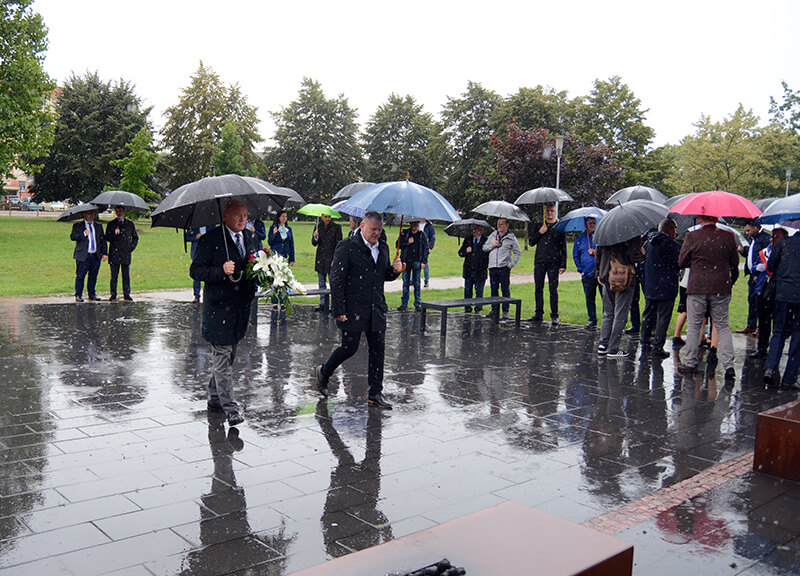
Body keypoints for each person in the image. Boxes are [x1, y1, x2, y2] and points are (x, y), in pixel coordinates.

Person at [315, 212, 403, 408]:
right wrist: (339, 309)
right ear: (362, 225)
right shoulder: (347, 246)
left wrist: (395, 270)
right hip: (353, 308)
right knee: (349, 348)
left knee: (378, 350)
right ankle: (324, 371)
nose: (376, 234)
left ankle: (375, 392)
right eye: (373, 229)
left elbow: (383, 275)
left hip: (376, 307)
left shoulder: (383, 247)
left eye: (379, 230)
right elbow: (336, 279)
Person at [190, 199, 258, 426]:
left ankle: (214, 397)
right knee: (222, 356)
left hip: (241, 308)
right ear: (225, 215)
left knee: (229, 357)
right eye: (238, 215)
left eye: (246, 215)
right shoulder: (211, 240)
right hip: (219, 309)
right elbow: (196, 271)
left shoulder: (250, 237)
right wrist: (221, 270)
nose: (242, 220)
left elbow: (255, 266)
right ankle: (231, 409)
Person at [677, 215, 739, 381]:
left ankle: (690, 363)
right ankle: (729, 366)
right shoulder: (728, 236)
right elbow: (734, 261)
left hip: (698, 286)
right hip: (721, 286)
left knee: (694, 325)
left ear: (701, 218)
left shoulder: (692, 236)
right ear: (716, 219)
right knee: (722, 326)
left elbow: (681, 261)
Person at [596, 236, 645, 358]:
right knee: (620, 314)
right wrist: (642, 252)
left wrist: (599, 272)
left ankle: (603, 344)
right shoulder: (632, 235)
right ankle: (613, 348)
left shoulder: (606, 232)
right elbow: (633, 257)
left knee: (608, 313)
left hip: (607, 276)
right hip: (625, 278)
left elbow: (599, 254)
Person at [763, 228, 800, 390]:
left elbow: (771, 265)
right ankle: (789, 378)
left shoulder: (784, 243)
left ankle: (770, 368)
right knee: (798, 336)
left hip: (783, 293)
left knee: (778, 331)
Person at [640, 218, 680, 359]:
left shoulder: (648, 242)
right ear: (669, 229)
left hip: (651, 284)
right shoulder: (672, 245)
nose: (676, 231)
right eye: (675, 228)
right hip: (666, 286)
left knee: (648, 315)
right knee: (663, 317)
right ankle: (658, 347)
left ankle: (644, 342)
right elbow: (679, 263)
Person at [749, 228, 788, 360]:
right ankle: (761, 348)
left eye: (776, 237)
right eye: (772, 237)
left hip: (779, 291)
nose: (773, 239)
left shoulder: (787, 253)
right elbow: (754, 268)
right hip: (763, 290)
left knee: (779, 323)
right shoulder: (764, 252)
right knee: (763, 321)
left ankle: (775, 350)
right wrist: (757, 269)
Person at [528, 203, 567, 325]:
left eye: (552, 211)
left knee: (553, 289)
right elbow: (531, 242)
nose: (550, 213)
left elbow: (563, 247)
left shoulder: (559, 227)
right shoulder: (540, 226)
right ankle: (538, 313)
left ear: (556, 212)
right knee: (538, 288)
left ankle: (554, 315)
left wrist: (563, 264)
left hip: (554, 262)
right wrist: (540, 232)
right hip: (540, 260)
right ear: (544, 212)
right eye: (548, 211)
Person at [483, 217, 522, 320]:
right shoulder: (493, 235)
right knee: (493, 289)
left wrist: (510, 265)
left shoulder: (511, 237)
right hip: (493, 267)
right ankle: (494, 310)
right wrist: (492, 245)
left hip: (504, 267)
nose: (499, 226)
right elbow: (485, 248)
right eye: (498, 224)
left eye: (501, 224)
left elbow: (518, 252)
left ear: (507, 225)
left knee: (505, 289)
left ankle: (505, 311)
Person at [737, 220, 771, 334]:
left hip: (760, 276)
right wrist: (743, 251)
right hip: (752, 275)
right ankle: (751, 325)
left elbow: (765, 257)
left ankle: (760, 327)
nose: (747, 233)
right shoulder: (753, 239)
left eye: (748, 230)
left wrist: (759, 274)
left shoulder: (765, 239)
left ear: (756, 228)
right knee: (751, 300)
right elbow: (751, 254)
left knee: (760, 301)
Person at [71, 208, 107, 302]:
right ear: (84, 215)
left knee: (93, 276)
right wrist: (83, 234)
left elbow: (102, 240)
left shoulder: (98, 226)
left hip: (95, 255)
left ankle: (92, 294)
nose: (91, 215)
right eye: (89, 214)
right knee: (80, 276)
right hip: (83, 256)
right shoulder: (78, 225)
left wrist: (104, 253)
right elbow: (73, 237)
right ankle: (78, 294)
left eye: (92, 214)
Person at [104, 206, 139, 301]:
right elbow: (106, 237)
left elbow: (135, 238)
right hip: (114, 253)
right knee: (114, 276)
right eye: (117, 211)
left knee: (126, 275)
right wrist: (114, 234)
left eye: (120, 211)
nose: (119, 213)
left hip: (125, 253)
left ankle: (126, 293)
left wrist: (130, 248)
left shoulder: (129, 224)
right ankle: (113, 294)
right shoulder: (111, 224)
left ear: (124, 212)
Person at [397, 219, 429, 312]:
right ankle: (404, 303)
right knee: (405, 283)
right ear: (410, 224)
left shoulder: (422, 235)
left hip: (417, 261)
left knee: (417, 283)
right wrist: (407, 243)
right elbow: (398, 245)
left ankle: (418, 303)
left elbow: (425, 249)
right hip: (406, 262)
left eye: (416, 223)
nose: (415, 225)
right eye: (413, 223)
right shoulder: (405, 233)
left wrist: (424, 261)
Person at [311, 213, 342, 311]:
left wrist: (335, 259)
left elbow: (339, 244)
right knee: (321, 282)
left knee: (333, 283)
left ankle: (333, 305)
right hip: (321, 258)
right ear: (321, 217)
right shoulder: (318, 226)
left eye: (329, 217)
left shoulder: (336, 227)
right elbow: (314, 243)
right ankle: (322, 304)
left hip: (331, 258)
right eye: (325, 217)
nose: (327, 219)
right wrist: (315, 237)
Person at [573, 216, 599, 328]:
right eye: (590, 223)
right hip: (587, 273)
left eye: (594, 222)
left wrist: (595, 252)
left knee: (606, 298)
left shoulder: (600, 237)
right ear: (585, 225)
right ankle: (592, 319)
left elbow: (606, 252)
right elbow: (575, 255)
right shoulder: (579, 239)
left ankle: (608, 319)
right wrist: (581, 270)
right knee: (589, 298)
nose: (592, 225)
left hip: (600, 272)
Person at [458, 224, 490, 313]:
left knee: (479, 290)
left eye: (478, 230)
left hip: (480, 270)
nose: (476, 232)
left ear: (482, 231)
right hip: (469, 269)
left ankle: (478, 309)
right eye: (474, 230)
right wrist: (465, 251)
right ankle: (467, 307)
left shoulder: (486, 241)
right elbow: (460, 253)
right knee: (468, 289)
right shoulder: (468, 240)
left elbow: (488, 255)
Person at [420, 219, 436, 287]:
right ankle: (413, 279)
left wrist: (430, 247)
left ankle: (426, 280)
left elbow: (432, 237)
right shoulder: (417, 223)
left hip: (425, 247)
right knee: (415, 263)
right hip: (417, 247)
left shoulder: (429, 226)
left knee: (425, 263)